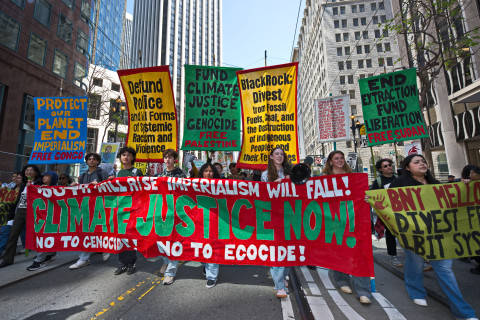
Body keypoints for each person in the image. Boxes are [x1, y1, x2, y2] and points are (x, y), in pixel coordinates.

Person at [388, 154, 477, 319]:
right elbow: (388, 204)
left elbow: (451, 200)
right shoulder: (399, 184)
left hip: (438, 236)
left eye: (423, 161)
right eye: (417, 162)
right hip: (414, 235)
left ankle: (463, 312)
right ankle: (415, 291)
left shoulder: (435, 184)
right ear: (407, 167)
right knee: (415, 263)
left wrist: (464, 187)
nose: (422, 163)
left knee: (445, 269)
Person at [323, 150, 373, 305]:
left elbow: (363, 193)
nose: (340, 160)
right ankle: (342, 281)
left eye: (342, 158)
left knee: (360, 252)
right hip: (334, 221)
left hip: (354, 219)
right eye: (336, 158)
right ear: (330, 161)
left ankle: (363, 290)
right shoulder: (324, 179)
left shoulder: (354, 177)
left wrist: (367, 197)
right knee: (340, 251)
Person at [69, 153, 110, 270]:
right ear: (86, 161)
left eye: (94, 159)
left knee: (101, 229)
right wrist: (75, 186)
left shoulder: (102, 173)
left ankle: (106, 248)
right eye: (89, 159)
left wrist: (100, 185)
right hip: (86, 208)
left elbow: (109, 188)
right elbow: (81, 189)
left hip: (100, 207)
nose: (91, 161)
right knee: (85, 232)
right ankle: (84, 258)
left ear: (97, 161)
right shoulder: (82, 175)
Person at [261, 147, 292, 298]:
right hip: (273, 216)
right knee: (277, 251)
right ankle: (279, 285)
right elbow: (264, 196)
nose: (280, 156)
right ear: (271, 157)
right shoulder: (265, 175)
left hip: (291, 216)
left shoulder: (290, 172)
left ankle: (282, 277)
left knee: (289, 250)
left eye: (282, 154)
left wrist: (290, 181)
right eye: (277, 154)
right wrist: (276, 185)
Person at [0, 165, 43, 268]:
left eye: (31, 170)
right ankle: (7, 259)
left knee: (36, 234)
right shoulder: (23, 183)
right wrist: (12, 213)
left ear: (36, 173)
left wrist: (34, 188)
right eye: (27, 170)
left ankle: (43, 255)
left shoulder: (39, 183)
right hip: (20, 211)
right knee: (13, 235)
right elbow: (19, 198)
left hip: (33, 211)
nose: (28, 172)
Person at [155, 149, 186, 285]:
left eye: (170, 157)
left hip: (175, 212)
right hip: (161, 212)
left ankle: (170, 272)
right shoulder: (159, 175)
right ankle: (166, 262)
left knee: (173, 241)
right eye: (165, 157)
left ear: (175, 159)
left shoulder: (180, 175)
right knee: (161, 240)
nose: (167, 160)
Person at [114, 146, 143, 276]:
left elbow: (143, 189)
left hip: (133, 209)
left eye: (128, 155)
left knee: (130, 237)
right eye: (123, 155)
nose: (125, 157)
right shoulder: (117, 173)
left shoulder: (137, 172)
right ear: (120, 157)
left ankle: (131, 263)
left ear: (133, 157)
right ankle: (122, 264)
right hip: (119, 209)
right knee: (120, 237)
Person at [370, 158, 402, 267]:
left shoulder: (399, 178)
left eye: (389, 165)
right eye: (385, 166)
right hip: (388, 212)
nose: (389, 167)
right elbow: (372, 196)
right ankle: (393, 256)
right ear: (380, 169)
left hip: (402, 211)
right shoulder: (378, 181)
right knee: (390, 234)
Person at [26, 171, 59, 271]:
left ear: (53, 178)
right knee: (44, 236)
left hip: (52, 217)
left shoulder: (58, 189)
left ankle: (39, 260)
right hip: (41, 217)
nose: (44, 178)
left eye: (47, 176)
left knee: (45, 237)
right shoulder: (39, 187)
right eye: (44, 176)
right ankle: (50, 253)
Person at [198, 162, 221, 288]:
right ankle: (206, 265)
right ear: (202, 173)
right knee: (201, 246)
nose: (208, 173)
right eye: (206, 171)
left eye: (211, 171)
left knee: (212, 246)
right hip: (199, 221)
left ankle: (212, 276)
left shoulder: (221, 185)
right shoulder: (194, 185)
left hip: (215, 220)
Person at [0, 172, 23, 256]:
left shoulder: (24, 190)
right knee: (5, 233)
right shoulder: (12, 189)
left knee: (5, 233)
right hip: (8, 214)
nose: (17, 179)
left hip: (17, 215)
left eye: (19, 178)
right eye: (16, 177)